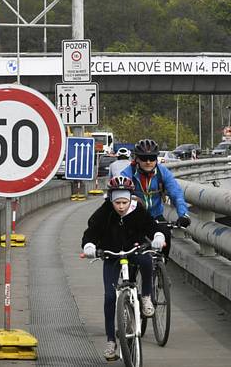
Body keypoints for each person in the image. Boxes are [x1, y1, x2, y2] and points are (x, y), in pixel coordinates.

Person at [82, 176, 166, 361]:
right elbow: (91, 231)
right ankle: (111, 341)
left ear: (131, 199)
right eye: (117, 202)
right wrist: (88, 246)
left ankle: (145, 298)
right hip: (111, 255)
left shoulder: (138, 212)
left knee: (146, 261)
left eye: (124, 202)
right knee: (110, 297)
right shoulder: (104, 213)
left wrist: (158, 235)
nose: (121, 206)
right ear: (111, 200)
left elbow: (151, 227)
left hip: (133, 250)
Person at [120, 138, 191, 256]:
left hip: (155, 215)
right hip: (134, 216)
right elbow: (120, 193)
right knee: (132, 251)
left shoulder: (163, 172)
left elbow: (176, 193)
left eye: (152, 158)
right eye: (143, 158)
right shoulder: (128, 173)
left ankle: (161, 266)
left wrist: (183, 214)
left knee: (166, 236)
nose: (148, 162)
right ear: (136, 159)